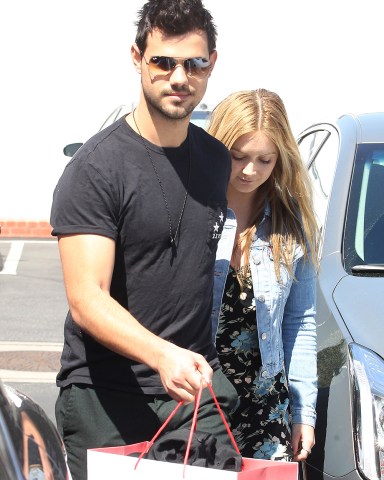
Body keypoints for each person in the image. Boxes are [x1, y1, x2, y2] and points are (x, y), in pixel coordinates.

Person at [50, 1, 238, 479]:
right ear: (137, 58)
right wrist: (161, 355)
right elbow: (85, 297)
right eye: (163, 61)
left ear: (211, 64)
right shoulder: (96, 169)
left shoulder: (217, 162)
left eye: (194, 63)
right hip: (106, 397)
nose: (179, 77)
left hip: (193, 396)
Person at [207, 89, 319, 463]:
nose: (249, 170)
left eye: (264, 159)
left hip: (265, 407)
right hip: (199, 400)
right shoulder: (194, 213)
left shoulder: (290, 222)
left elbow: (300, 322)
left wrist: (304, 412)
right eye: (237, 156)